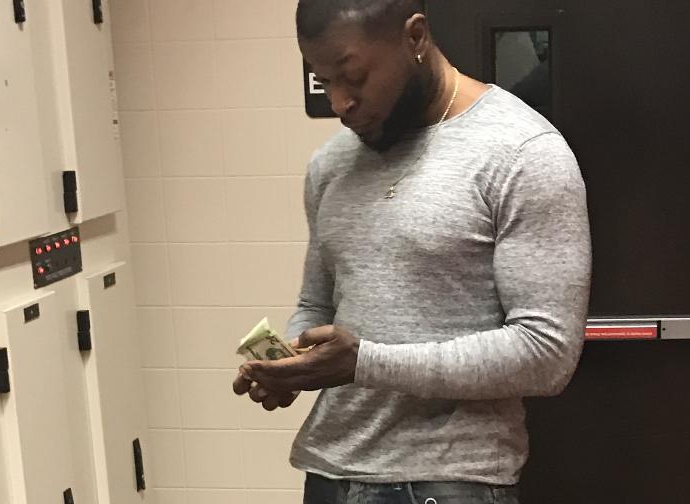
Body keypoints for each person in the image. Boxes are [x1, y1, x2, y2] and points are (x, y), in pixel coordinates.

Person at [231, 0, 592, 502]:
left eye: (353, 78)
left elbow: (546, 354)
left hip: (448, 482)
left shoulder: (522, 152)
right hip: (329, 474)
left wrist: (363, 363)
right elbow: (317, 305)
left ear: (416, 37)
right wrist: (293, 364)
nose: (339, 103)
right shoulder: (330, 165)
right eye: (324, 81)